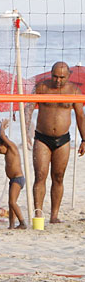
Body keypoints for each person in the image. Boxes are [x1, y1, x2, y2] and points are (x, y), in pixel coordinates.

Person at [25, 62, 85, 223]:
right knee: (40, 176)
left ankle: (54, 215)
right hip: (42, 137)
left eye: (62, 77)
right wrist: (25, 131)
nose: (58, 80)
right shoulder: (41, 87)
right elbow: (28, 108)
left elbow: (80, 116)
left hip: (63, 139)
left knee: (58, 177)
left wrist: (84, 139)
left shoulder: (74, 91)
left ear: (69, 76)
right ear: (51, 73)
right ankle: (38, 215)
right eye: (55, 76)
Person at [0, 119, 26, 229]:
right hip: (13, 180)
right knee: (10, 204)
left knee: (12, 202)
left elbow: (2, 136)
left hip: (18, 179)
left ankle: (22, 222)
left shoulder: (12, 147)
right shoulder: (7, 151)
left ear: (3, 144)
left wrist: (1, 126)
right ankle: (11, 224)